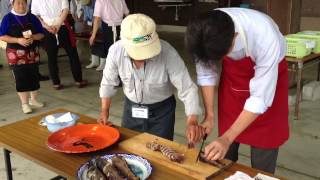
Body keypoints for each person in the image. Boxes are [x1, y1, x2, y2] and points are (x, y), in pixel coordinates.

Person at [185, 8, 289, 174]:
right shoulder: (203, 32)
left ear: (234, 37)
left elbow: (260, 98)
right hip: (234, 84)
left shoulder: (264, 35)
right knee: (225, 155)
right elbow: (206, 74)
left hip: (268, 84)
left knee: (263, 155)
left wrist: (226, 138)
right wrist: (209, 115)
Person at [98, 14, 204, 142]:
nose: (144, 56)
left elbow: (187, 88)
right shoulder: (116, 51)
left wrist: (192, 121)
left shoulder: (167, 53)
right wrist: (104, 110)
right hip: (131, 109)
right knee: (129, 146)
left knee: (161, 149)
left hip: (162, 113)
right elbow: (108, 82)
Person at [0, 0, 45, 113]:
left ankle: (33, 100)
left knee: (34, 76)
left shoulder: (32, 17)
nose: (21, 5)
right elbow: (2, 36)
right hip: (16, 54)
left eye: (23, 2)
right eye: (18, 3)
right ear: (12, 4)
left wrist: (33, 37)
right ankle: (24, 104)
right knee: (21, 78)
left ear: (27, 4)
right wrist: (17, 40)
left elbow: (41, 34)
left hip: (32, 53)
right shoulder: (8, 18)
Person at [31, 0, 87, 90]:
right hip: (62, 27)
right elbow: (65, 9)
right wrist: (58, 25)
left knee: (51, 57)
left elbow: (35, 15)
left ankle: (56, 83)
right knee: (72, 55)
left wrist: (47, 26)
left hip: (48, 29)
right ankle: (78, 81)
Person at [89, 0, 129, 71]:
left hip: (109, 29)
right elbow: (127, 14)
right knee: (121, 52)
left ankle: (115, 75)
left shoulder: (100, 1)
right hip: (121, 28)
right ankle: (121, 74)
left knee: (112, 54)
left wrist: (93, 35)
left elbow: (97, 19)